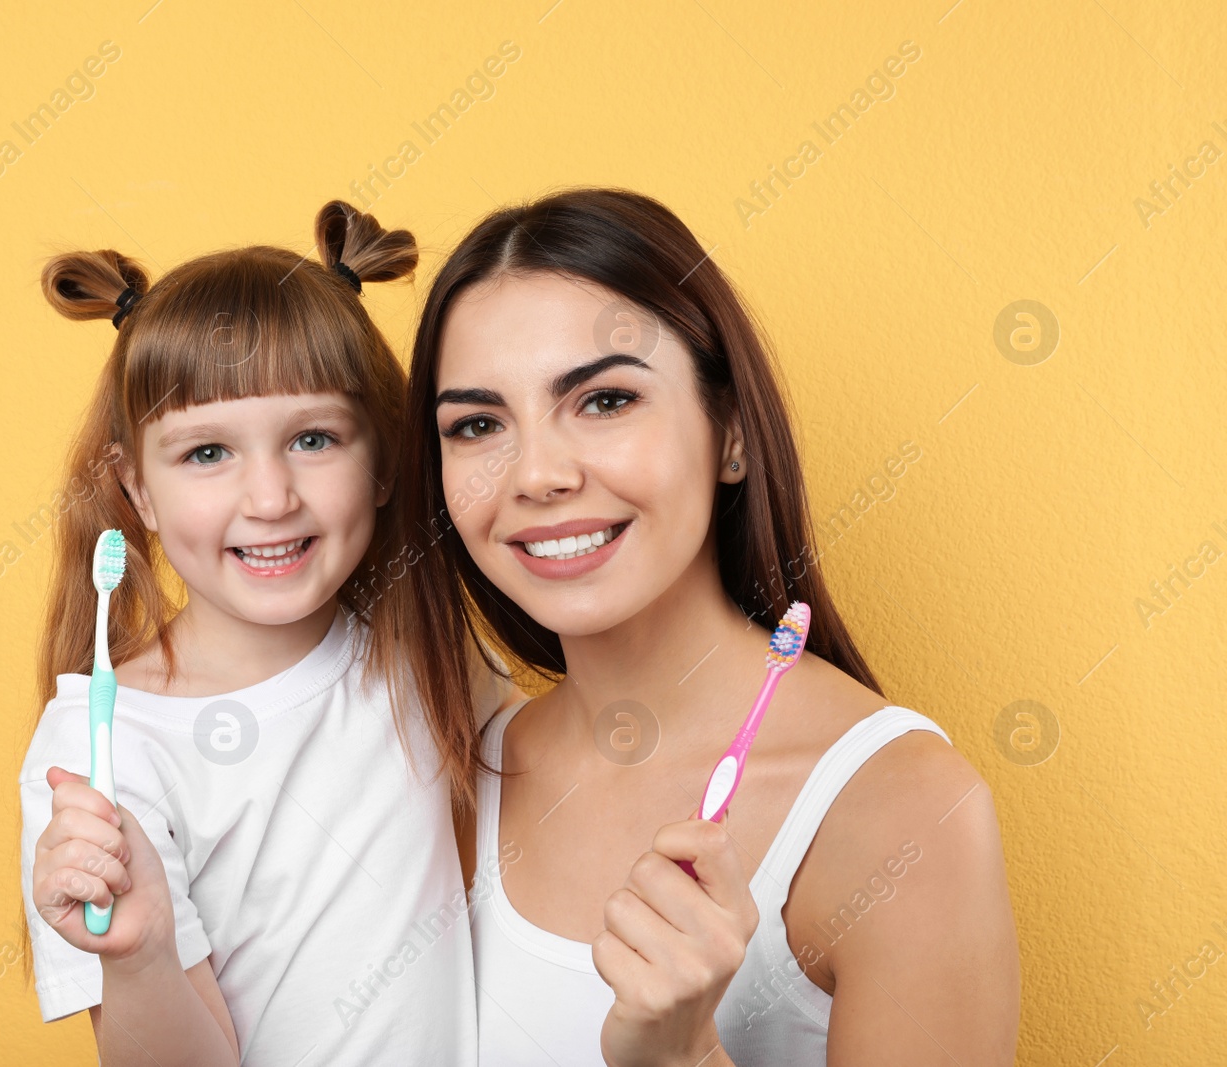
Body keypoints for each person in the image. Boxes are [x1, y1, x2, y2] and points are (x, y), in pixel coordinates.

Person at [379, 186, 1021, 1065]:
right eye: (479, 423)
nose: (536, 473)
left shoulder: (902, 811)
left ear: (731, 434)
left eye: (604, 400)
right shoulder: (455, 778)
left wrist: (682, 1055)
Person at [16, 200, 516, 1065]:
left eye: (314, 438)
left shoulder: (425, 653)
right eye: (207, 453)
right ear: (137, 489)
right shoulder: (101, 753)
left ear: (387, 460)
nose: (271, 498)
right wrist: (137, 957)